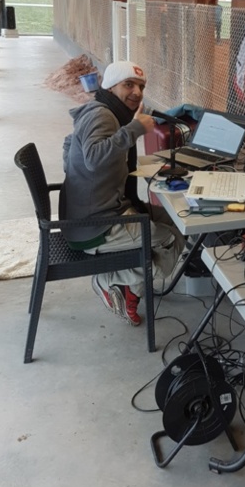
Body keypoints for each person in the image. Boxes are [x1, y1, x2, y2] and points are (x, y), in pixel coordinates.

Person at [61, 60, 183, 326]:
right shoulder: (102, 115)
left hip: (100, 211)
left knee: (175, 221)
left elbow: (71, 144)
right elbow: (93, 157)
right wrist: (135, 129)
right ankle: (111, 280)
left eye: (141, 86)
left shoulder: (103, 111)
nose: (137, 92)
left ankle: (128, 284)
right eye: (129, 84)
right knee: (170, 239)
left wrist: (83, 180)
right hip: (94, 226)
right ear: (110, 86)